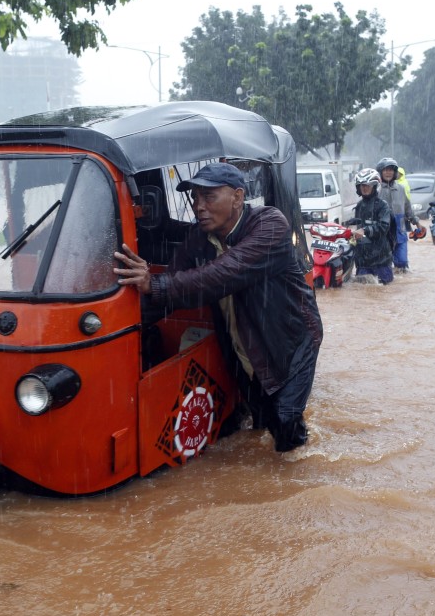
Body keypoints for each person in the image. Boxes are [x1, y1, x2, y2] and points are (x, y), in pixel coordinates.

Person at [113, 163, 323, 452]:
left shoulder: (269, 224)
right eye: (196, 198)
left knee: (285, 424)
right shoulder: (199, 238)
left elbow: (223, 274)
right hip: (243, 343)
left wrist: (156, 284)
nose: (199, 206)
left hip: (290, 342)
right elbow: (172, 288)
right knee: (259, 418)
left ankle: (297, 481)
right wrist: (119, 325)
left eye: (209, 197)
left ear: (237, 197)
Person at [346, 168, 395, 284]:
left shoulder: (383, 206)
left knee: (384, 291)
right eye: (362, 185)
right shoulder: (359, 206)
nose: (364, 188)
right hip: (363, 261)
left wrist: (365, 230)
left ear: (375, 186)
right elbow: (358, 231)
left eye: (368, 185)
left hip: (381, 260)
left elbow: (383, 227)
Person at [376, 158, 422, 272]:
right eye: (385, 170)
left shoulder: (400, 189)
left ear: (395, 172)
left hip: (399, 230)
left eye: (391, 170)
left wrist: (416, 222)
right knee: (382, 263)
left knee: (402, 263)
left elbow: (408, 208)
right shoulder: (376, 189)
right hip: (382, 231)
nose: (388, 172)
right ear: (380, 172)